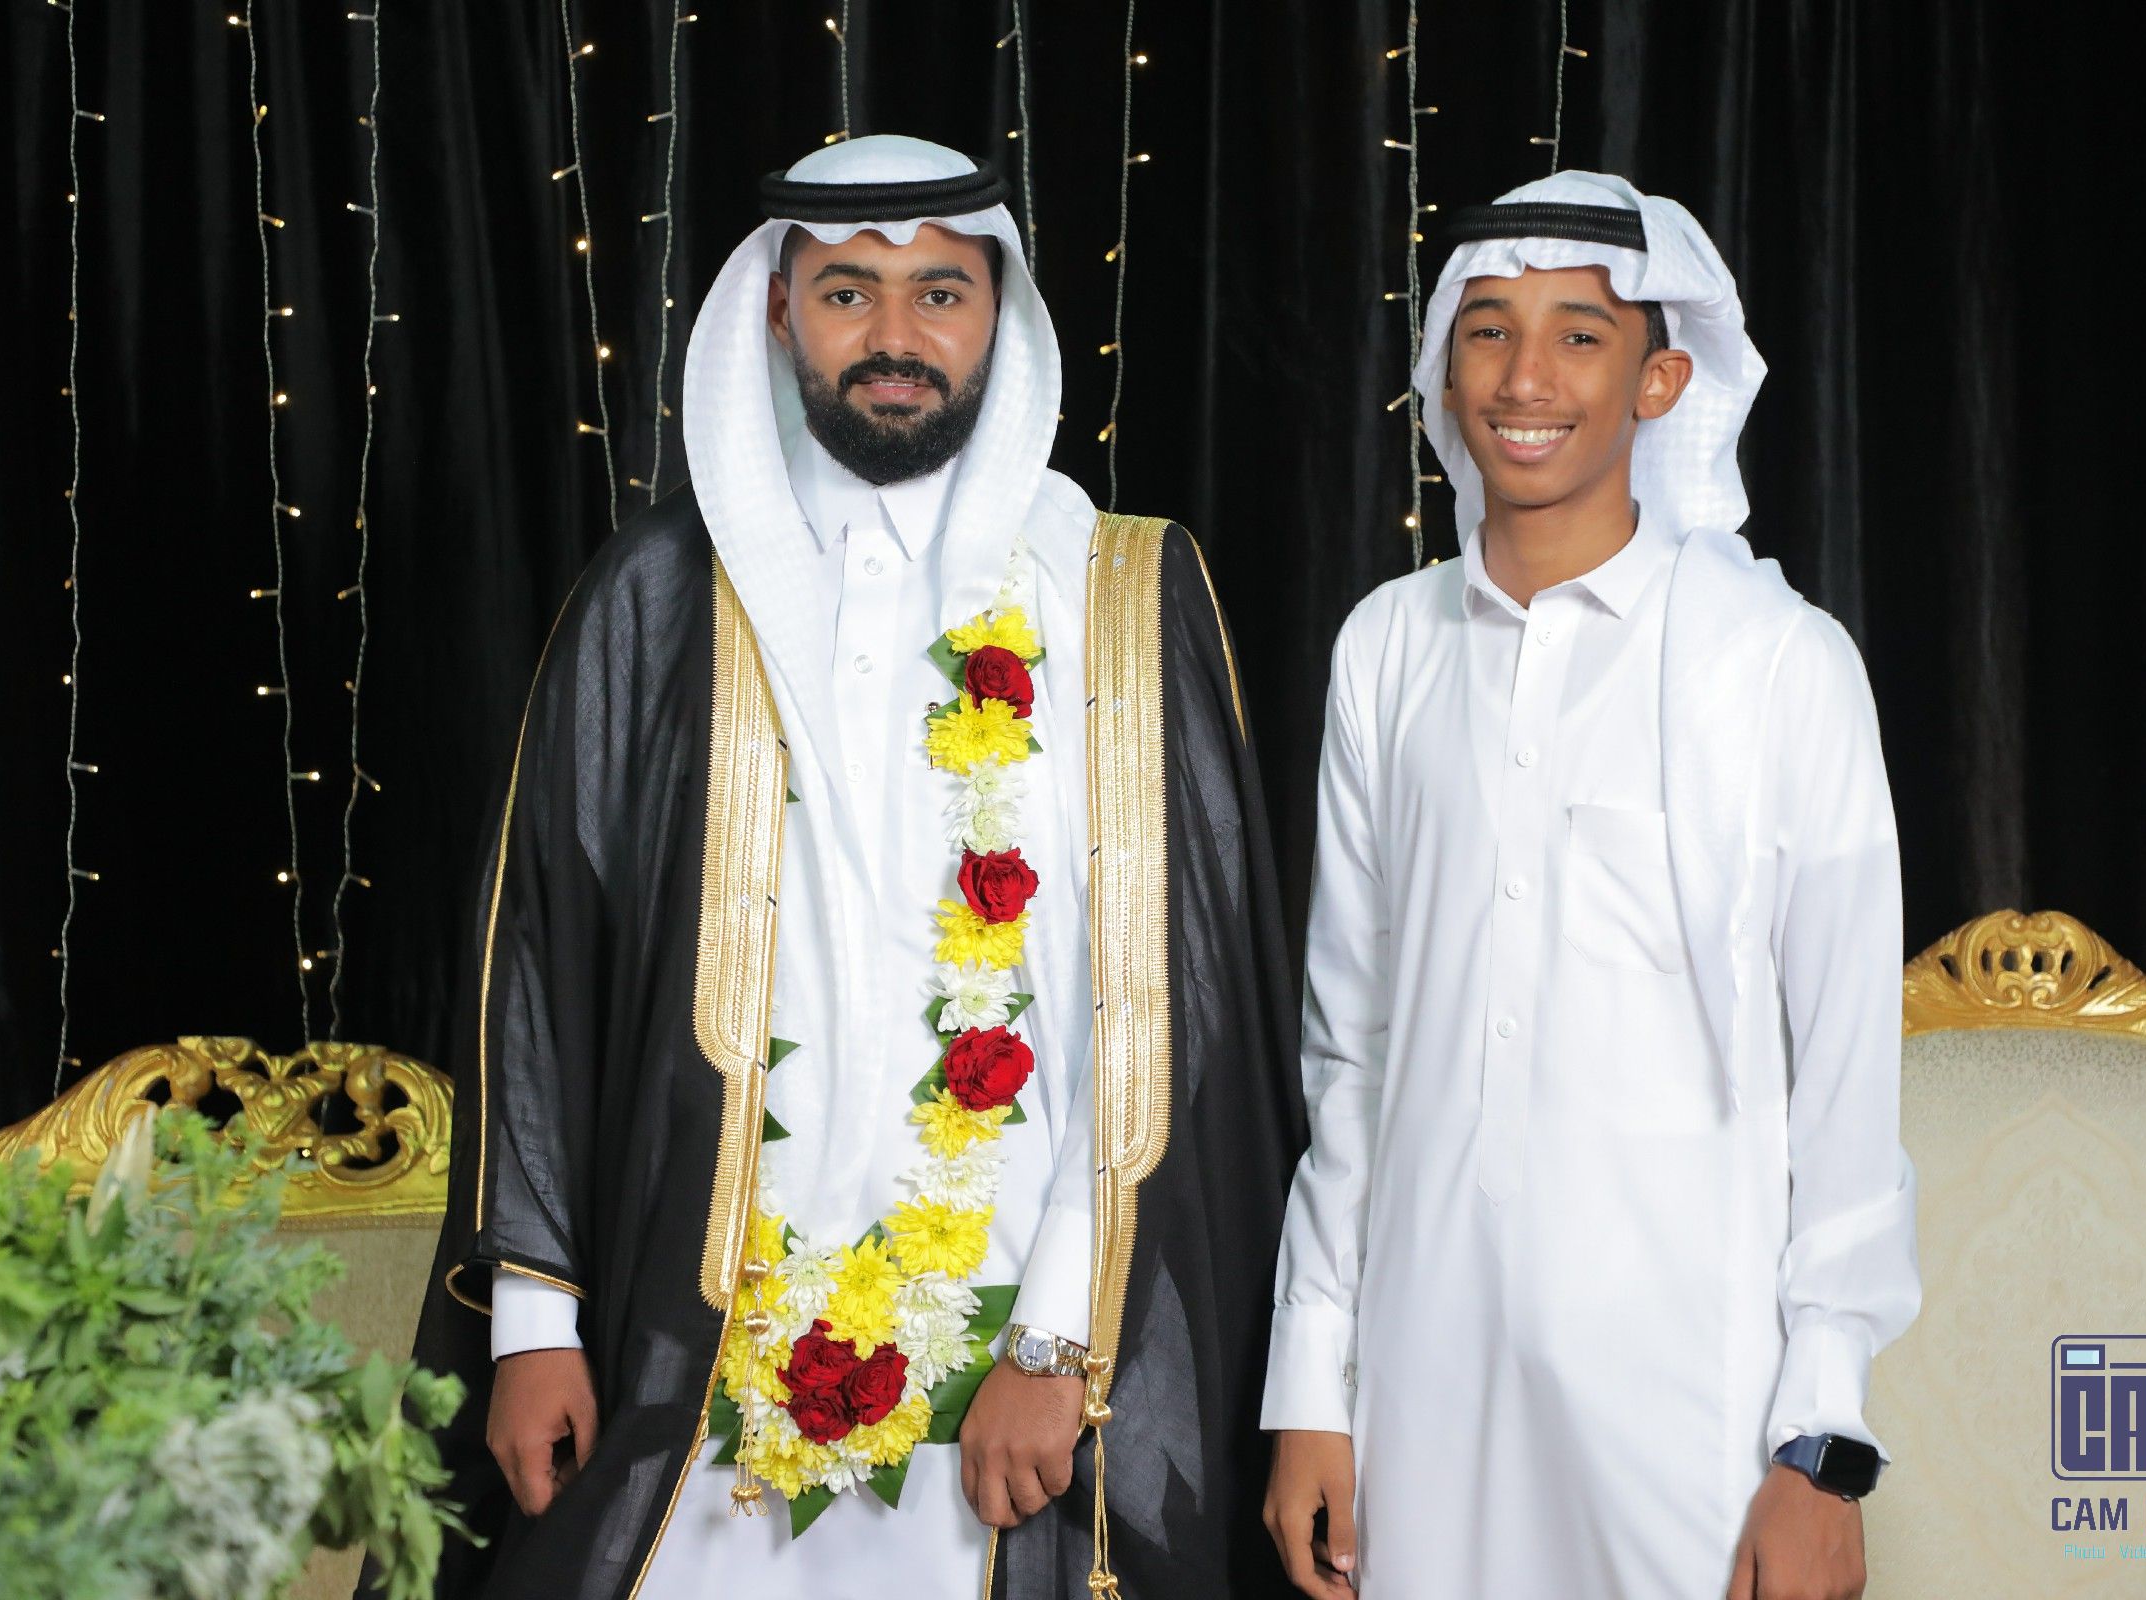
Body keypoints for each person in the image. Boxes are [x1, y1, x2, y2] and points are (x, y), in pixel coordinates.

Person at [396, 135, 1302, 1600]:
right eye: (846, 293)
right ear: (777, 312)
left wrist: (1057, 1342)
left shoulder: (1115, 594)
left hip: (1018, 1370)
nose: (895, 336)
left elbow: (1166, 1007)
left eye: (940, 293)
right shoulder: (655, 599)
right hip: (690, 1359)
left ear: (1000, 315)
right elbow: (543, 968)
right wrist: (534, 1325)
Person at [1259, 170, 1921, 1600]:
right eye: (1489, 331)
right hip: (1423, 1390)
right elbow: (1352, 1057)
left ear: (1660, 381)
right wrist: (1313, 1384)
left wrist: (1821, 1448)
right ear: (1445, 371)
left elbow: (1848, 1092)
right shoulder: (1388, 647)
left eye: (1579, 335)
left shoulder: (1780, 664)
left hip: (1692, 1407)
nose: (1526, 378)